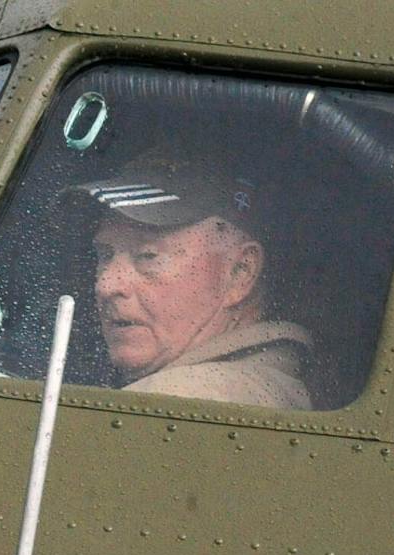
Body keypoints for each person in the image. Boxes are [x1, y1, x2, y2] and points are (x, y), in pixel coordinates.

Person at [74, 154, 316, 409]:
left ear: (240, 272)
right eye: (104, 255)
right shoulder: (271, 389)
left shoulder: (168, 401)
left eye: (148, 255)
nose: (106, 285)